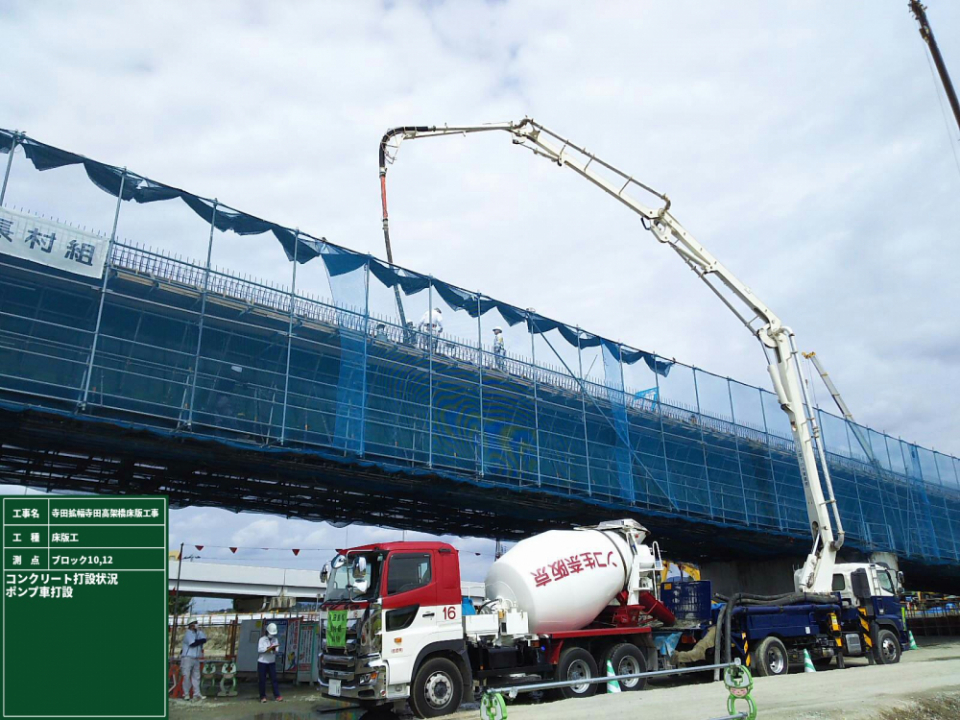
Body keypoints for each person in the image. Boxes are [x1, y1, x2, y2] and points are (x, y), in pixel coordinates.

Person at [180, 619, 207, 701]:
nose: (197, 625)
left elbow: (204, 639)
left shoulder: (198, 633)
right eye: (195, 623)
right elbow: (192, 644)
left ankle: (197, 694)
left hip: (196, 658)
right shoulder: (188, 634)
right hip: (187, 658)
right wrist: (200, 641)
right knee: (186, 676)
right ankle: (186, 694)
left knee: (196, 676)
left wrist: (199, 639)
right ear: (191, 625)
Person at [258, 623, 283, 703]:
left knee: (274, 679)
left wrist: (272, 650)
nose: (271, 635)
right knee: (262, 680)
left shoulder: (275, 640)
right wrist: (268, 649)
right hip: (262, 662)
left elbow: (277, 650)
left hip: (271, 662)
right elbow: (260, 650)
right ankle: (262, 697)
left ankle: (277, 695)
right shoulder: (262, 639)